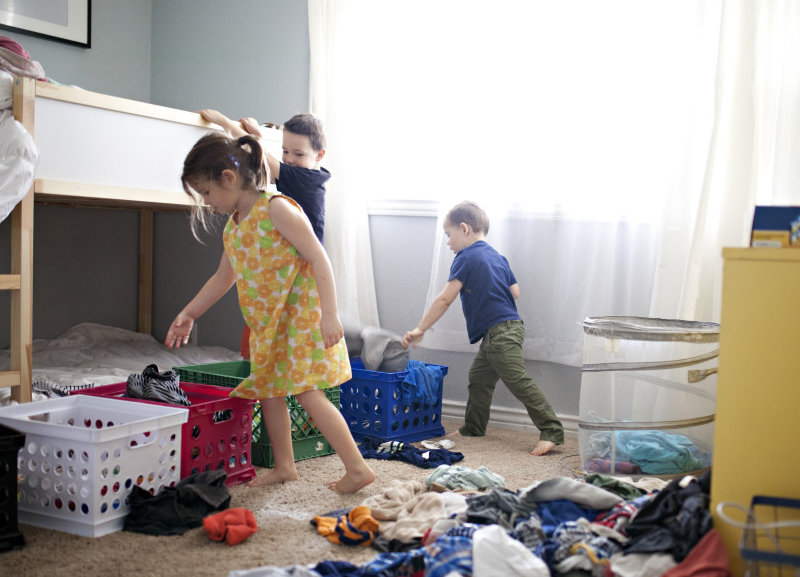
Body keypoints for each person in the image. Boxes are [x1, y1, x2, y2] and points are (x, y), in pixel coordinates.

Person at [166, 131, 375, 494]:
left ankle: (356, 468)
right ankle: (284, 466)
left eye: (206, 192)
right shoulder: (234, 227)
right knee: (270, 390)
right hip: (268, 325)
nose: (207, 202)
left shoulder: (276, 208)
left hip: (300, 319)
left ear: (228, 178)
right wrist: (190, 312)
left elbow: (318, 257)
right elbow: (222, 278)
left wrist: (330, 314)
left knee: (309, 394)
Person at [402, 201, 564, 456]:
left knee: (518, 381)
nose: (448, 243)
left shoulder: (465, 257)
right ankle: (474, 427)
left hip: (500, 333)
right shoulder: (498, 257)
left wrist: (421, 328)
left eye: (448, 235)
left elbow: (445, 298)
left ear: (464, 229)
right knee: (479, 379)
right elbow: (515, 292)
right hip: (505, 329)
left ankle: (552, 430)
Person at [199, 109, 330, 244]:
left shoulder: (306, 181)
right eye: (285, 151)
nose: (289, 159)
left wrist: (223, 121)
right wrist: (258, 135)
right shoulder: (309, 177)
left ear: (319, 155)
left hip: (305, 257)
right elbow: (265, 168)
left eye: (298, 154)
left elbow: (263, 156)